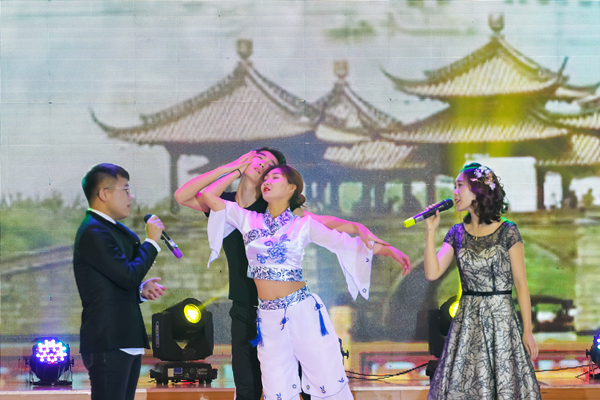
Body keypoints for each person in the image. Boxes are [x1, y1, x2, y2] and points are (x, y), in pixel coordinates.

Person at [174, 148, 390, 400]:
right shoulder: (230, 207)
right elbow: (184, 196)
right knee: (249, 386)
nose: (262, 166)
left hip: (288, 307)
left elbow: (317, 222)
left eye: (270, 167)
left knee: (306, 381)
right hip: (245, 307)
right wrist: (232, 168)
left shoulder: (272, 205)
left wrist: (357, 227)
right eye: (259, 158)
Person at [423, 163, 541, 400]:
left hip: (501, 321)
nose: (454, 192)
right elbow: (432, 273)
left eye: (459, 186)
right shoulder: (456, 233)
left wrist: (527, 331)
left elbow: (521, 285)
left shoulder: (508, 231)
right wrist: (430, 231)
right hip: (467, 322)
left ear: (477, 191)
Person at [73, 163, 167, 400]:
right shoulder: (94, 231)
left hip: (124, 337)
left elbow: (117, 280)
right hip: (109, 338)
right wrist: (152, 242)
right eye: (125, 190)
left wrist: (140, 291)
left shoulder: (111, 230)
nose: (130, 196)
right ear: (104, 194)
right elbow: (127, 276)